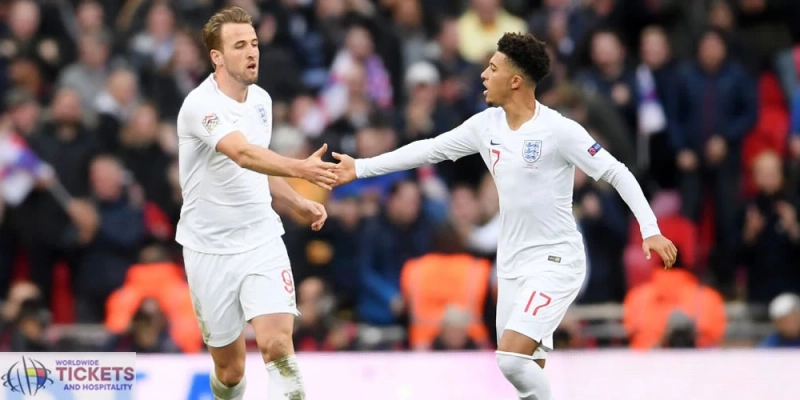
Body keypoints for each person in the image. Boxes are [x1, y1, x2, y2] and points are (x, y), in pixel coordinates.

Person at [333, 32, 678, 399]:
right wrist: (362, 168)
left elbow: (617, 172)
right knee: (526, 369)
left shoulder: (558, 130)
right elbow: (429, 149)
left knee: (511, 359)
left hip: (556, 259)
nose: (483, 74)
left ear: (515, 81)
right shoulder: (486, 127)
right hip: (511, 263)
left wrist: (650, 228)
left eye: (492, 68)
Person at [175, 6, 338, 400]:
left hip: (261, 239)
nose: (252, 53)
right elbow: (243, 155)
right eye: (239, 46)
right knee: (230, 371)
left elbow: (258, 169)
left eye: (254, 44)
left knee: (278, 346)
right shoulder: (201, 106)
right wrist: (300, 168)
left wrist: (295, 200)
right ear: (217, 56)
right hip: (208, 247)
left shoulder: (261, 100)